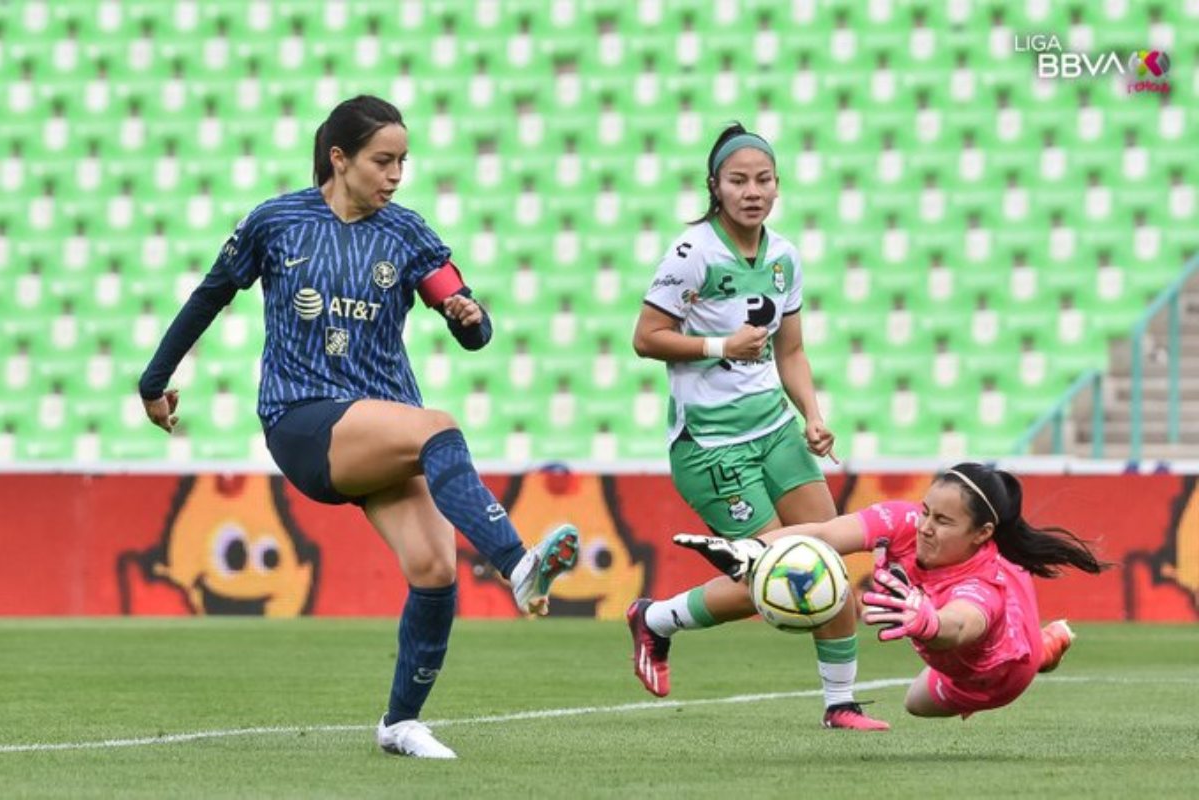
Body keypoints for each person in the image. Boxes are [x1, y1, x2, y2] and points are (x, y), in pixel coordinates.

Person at [139, 95, 579, 759]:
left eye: (403, 160)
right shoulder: (277, 221)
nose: (396, 173)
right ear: (339, 159)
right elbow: (210, 294)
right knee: (438, 427)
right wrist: (154, 382)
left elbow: (470, 320)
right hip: (303, 416)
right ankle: (518, 563)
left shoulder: (407, 232)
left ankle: (401, 723)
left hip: (377, 426)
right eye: (383, 160)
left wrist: (467, 314)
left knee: (433, 567)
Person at [626, 123, 887, 730]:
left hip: (776, 433)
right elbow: (646, 339)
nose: (752, 191)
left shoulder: (784, 257)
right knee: (785, 574)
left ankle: (840, 705)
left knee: (828, 562)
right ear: (714, 187)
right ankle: (656, 619)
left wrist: (814, 418)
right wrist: (720, 344)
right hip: (712, 449)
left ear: (778, 186)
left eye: (763, 179)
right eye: (738, 180)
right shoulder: (692, 255)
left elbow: (790, 351)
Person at [675, 462, 1107, 718]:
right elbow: (826, 532)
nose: (924, 527)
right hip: (955, 628)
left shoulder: (983, 587)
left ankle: (1041, 651)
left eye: (943, 521)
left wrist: (929, 621)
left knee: (914, 702)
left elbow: (962, 626)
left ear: (983, 533)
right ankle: (1043, 646)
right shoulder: (906, 525)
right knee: (915, 703)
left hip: (997, 676)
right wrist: (752, 549)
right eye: (926, 511)